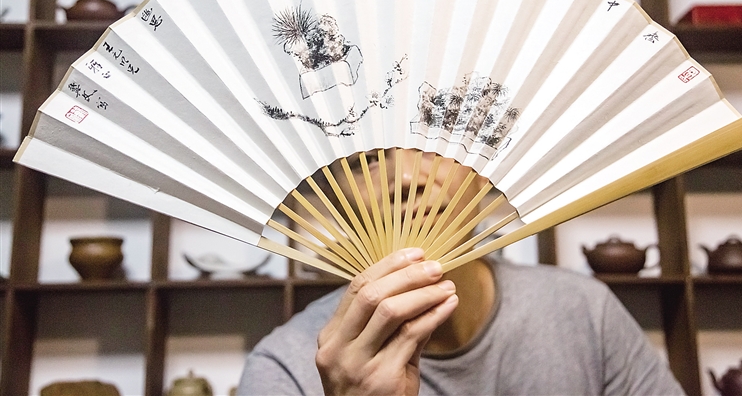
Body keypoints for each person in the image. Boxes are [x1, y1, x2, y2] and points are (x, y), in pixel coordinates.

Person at [237, 150, 684, 395]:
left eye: (432, 145)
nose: (405, 179)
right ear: (337, 201)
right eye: (365, 161)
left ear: (484, 174)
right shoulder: (285, 367)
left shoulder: (585, 312)